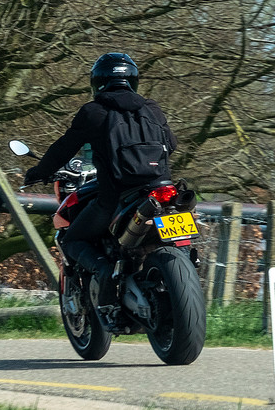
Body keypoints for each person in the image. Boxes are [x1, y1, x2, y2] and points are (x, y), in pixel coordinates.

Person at [20, 52, 178, 306]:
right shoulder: (152, 109)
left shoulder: (94, 111)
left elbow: (64, 148)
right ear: (133, 80)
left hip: (115, 196)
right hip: (162, 189)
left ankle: (104, 271)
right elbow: (171, 144)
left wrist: (38, 172)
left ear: (97, 82)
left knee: (73, 239)